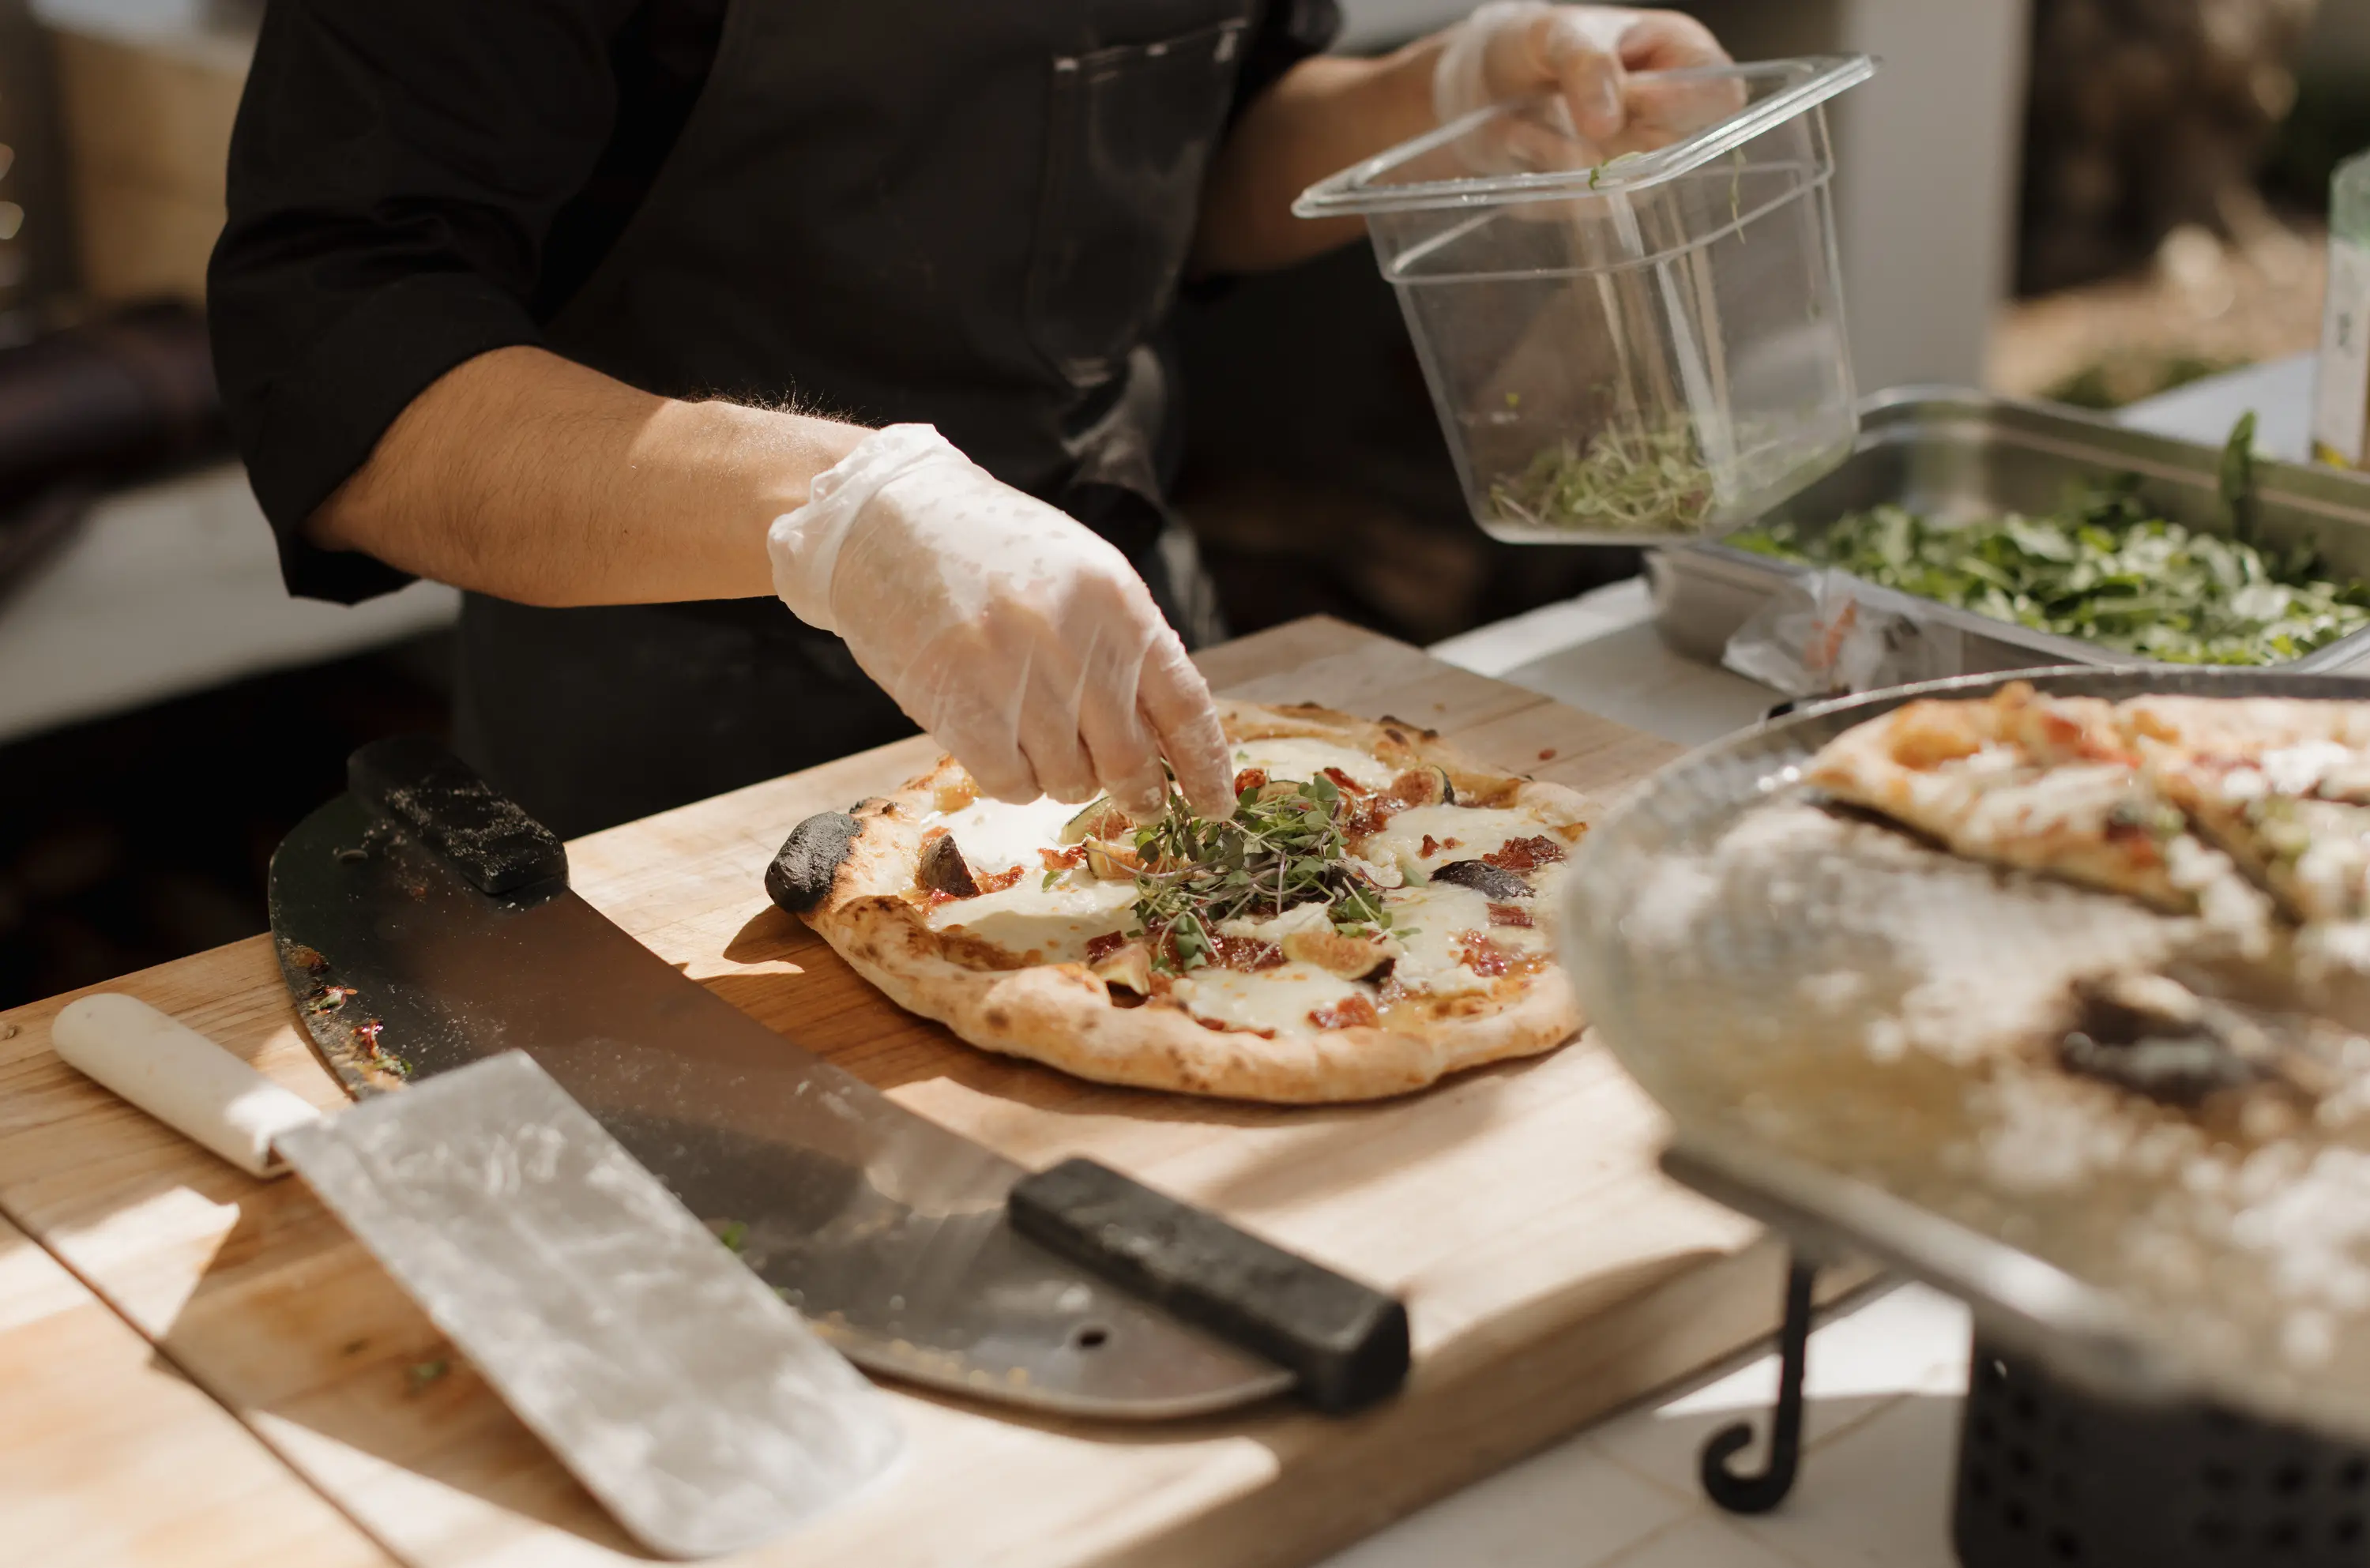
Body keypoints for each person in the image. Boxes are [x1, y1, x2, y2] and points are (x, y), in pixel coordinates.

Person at [210, 0, 1729, 837]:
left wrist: (1440, 95)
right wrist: (841, 512)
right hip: (676, 762)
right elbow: (357, 382)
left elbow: (1177, 167)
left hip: (1134, 684)